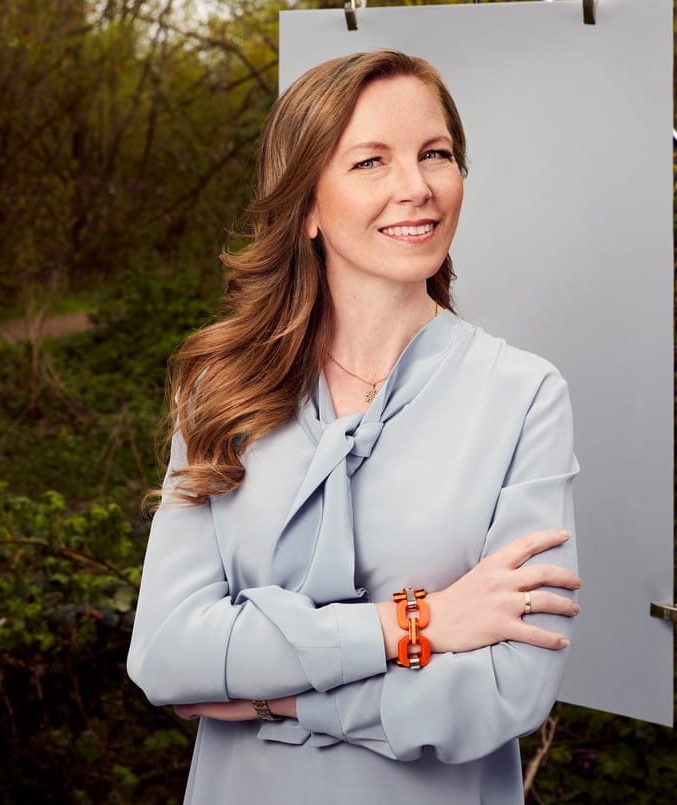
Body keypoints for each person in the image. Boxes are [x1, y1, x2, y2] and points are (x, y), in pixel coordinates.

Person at [127, 49, 581, 805]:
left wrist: (275, 697)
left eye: (436, 154)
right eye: (371, 161)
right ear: (306, 205)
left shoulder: (524, 396)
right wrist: (421, 624)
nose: (417, 187)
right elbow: (169, 655)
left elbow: (508, 688)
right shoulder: (219, 388)